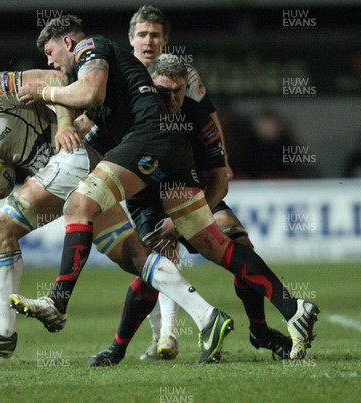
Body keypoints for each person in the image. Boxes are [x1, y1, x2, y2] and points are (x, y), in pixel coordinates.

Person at [16, 14, 319, 361]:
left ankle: (58, 300)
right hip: (171, 157)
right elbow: (88, 112)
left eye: (51, 53)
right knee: (215, 246)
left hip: (148, 145)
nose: (50, 62)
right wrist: (60, 128)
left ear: (67, 42)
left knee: (79, 207)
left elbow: (88, 92)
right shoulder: (125, 81)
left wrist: (42, 90)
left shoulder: (91, 46)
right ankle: (293, 308)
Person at [0, 60, 234, 363]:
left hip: (69, 159)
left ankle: (3, 328)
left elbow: (55, 81)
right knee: (131, 253)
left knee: (0, 228)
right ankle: (208, 316)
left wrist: (65, 125)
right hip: (60, 173)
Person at [88, 54, 292, 367]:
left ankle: (260, 331)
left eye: (178, 91)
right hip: (147, 200)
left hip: (191, 194)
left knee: (239, 244)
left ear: (187, 88)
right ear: (149, 88)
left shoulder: (197, 117)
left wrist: (183, 221)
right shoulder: (130, 111)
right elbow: (92, 148)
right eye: (162, 91)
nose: (171, 98)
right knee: (153, 269)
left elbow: (220, 180)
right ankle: (117, 347)